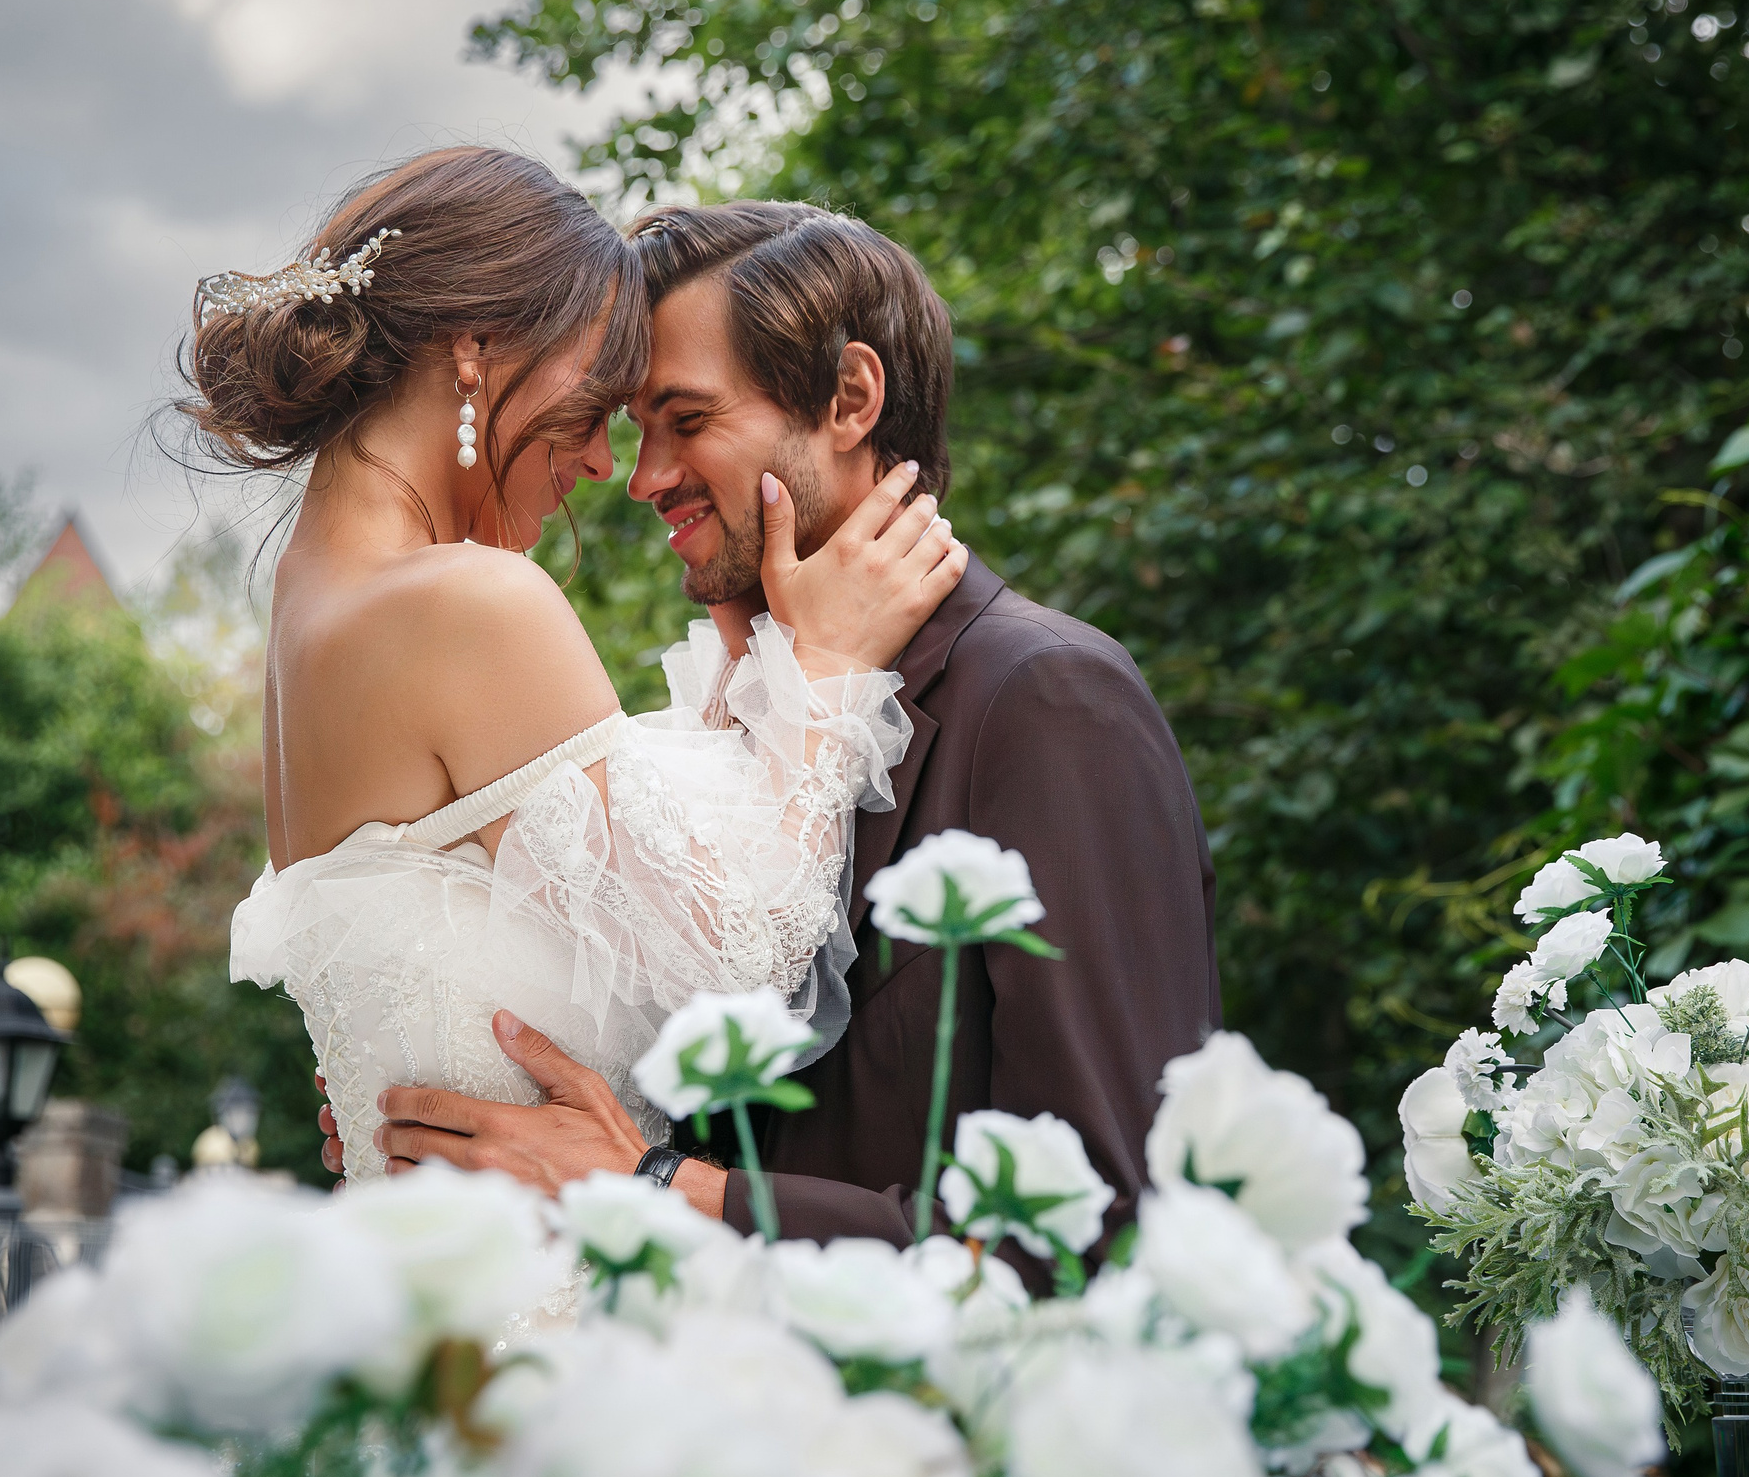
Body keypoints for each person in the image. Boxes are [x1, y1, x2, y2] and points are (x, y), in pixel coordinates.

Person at [353, 201, 1222, 1270]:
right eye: (633, 431)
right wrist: (439, 1113)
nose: (642, 478)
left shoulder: (1047, 703)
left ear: (850, 399)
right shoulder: (718, 727)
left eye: (686, 419)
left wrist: (672, 1191)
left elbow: (1111, 1226)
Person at [197, 149, 965, 1236]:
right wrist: (830, 668)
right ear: (473, 353)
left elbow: (560, 889)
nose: (608, 464)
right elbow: (742, 969)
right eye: (596, 403)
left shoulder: (307, 608)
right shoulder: (470, 602)